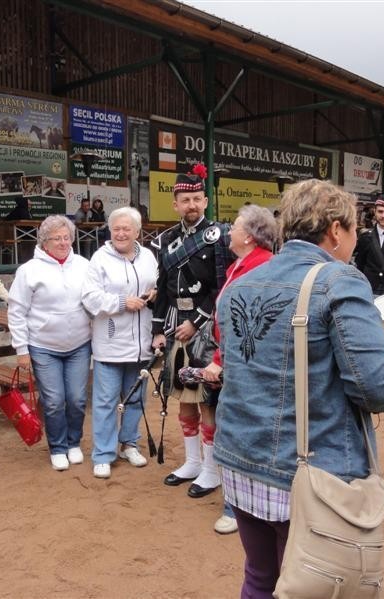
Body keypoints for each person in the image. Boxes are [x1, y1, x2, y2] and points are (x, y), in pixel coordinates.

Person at [216, 179, 384, 596]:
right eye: (355, 229)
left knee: (260, 576)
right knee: (314, 585)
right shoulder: (341, 281)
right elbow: (379, 390)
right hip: (309, 471)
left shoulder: (241, 283)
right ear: (336, 230)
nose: (356, 240)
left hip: (240, 456)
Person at [150, 164, 233, 500]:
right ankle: (192, 462)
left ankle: (212, 470)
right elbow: (162, 287)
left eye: (198, 199)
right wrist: (158, 330)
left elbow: (223, 285)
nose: (192, 205)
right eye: (186, 200)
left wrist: (196, 321)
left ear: (206, 201)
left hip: (204, 328)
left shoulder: (218, 236)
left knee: (206, 401)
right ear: (175, 203)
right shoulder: (166, 240)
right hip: (174, 326)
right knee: (184, 400)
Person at [201, 204, 278, 535]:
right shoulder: (243, 264)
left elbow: (245, 326)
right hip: (234, 359)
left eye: (234, 226)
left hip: (244, 364)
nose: (228, 231)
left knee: (239, 431)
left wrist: (220, 360)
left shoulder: (260, 267)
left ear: (248, 236)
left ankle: (236, 507)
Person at [8, 215, 92, 471]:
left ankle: (73, 442)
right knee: (54, 400)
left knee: (77, 398)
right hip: (44, 346)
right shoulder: (29, 270)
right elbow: (17, 310)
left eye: (67, 237)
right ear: (45, 242)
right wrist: (22, 350)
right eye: (57, 238)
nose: (63, 242)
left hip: (79, 344)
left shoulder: (84, 265)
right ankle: (57, 446)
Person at [81, 207, 157, 479]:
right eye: (116, 229)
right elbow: (89, 297)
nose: (121, 233)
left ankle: (129, 443)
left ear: (137, 231)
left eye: (127, 228)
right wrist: (122, 303)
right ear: (110, 231)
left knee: (135, 398)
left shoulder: (148, 256)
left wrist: (154, 293)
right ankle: (103, 453)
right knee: (105, 401)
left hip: (142, 343)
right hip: (111, 344)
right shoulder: (100, 259)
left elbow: (158, 284)